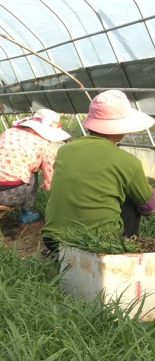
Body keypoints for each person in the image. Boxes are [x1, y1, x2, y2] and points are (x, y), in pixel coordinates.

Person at [42, 90, 155, 253]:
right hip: (100, 244)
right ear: (123, 129)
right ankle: (124, 248)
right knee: (133, 197)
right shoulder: (128, 162)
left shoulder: (65, 150)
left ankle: (58, 254)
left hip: (53, 240)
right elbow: (148, 207)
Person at [0, 108, 70, 223]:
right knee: (32, 176)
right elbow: (49, 178)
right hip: (10, 196)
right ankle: (26, 213)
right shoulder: (43, 144)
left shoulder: (8, 133)